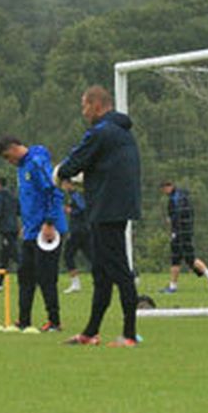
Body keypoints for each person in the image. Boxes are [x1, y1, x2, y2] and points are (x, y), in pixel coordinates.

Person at [54, 85, 143, 347]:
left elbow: (73, 163)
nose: (83, 112)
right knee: (102, 274)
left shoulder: (101, 132)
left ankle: (129, 335)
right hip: (113, 208)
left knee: (119, 271)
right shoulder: (122, 133)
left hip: (107, 210)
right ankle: (90, 332)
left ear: (95, 104)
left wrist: (61, 174)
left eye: (84, 106)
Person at [0, 136, 67, 332]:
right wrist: (25, 224)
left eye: (7, 156)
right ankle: (24, 320)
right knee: (25, 275)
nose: (9, 161)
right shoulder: (21, 168)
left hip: (47, 230)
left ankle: (54, 320)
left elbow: (54, 191)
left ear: (14, 148)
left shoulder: (37, 162)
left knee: (46, 276)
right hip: (31, 231)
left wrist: (49, 222)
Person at [159, 181, 208, 293]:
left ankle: (173, 287)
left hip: (180, 232)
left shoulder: (175, 198)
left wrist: (173, 225)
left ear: (169, 186)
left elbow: (178, 215)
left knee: (177, 258)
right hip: (186, 231)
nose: (164, 192)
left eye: (164, 189)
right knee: (188, 258)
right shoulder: (183, 195)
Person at [61, 177, 91, 294]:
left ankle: (75, 284)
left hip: (78, 230)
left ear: (69, 184)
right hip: (83, 230)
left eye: (64, 184)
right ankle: (108, 277)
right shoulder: (73, 195)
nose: (63, 186)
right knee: (92, 256)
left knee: (68, 255)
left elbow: (83, 208)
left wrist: (70, 211)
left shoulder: (75, 194)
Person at [0, 177, 18, 291]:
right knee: (4, 257)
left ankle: (33, 276)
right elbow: (18, 210)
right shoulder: (12, 195)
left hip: (6, 229)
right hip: (13, 227)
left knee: (15, 255)